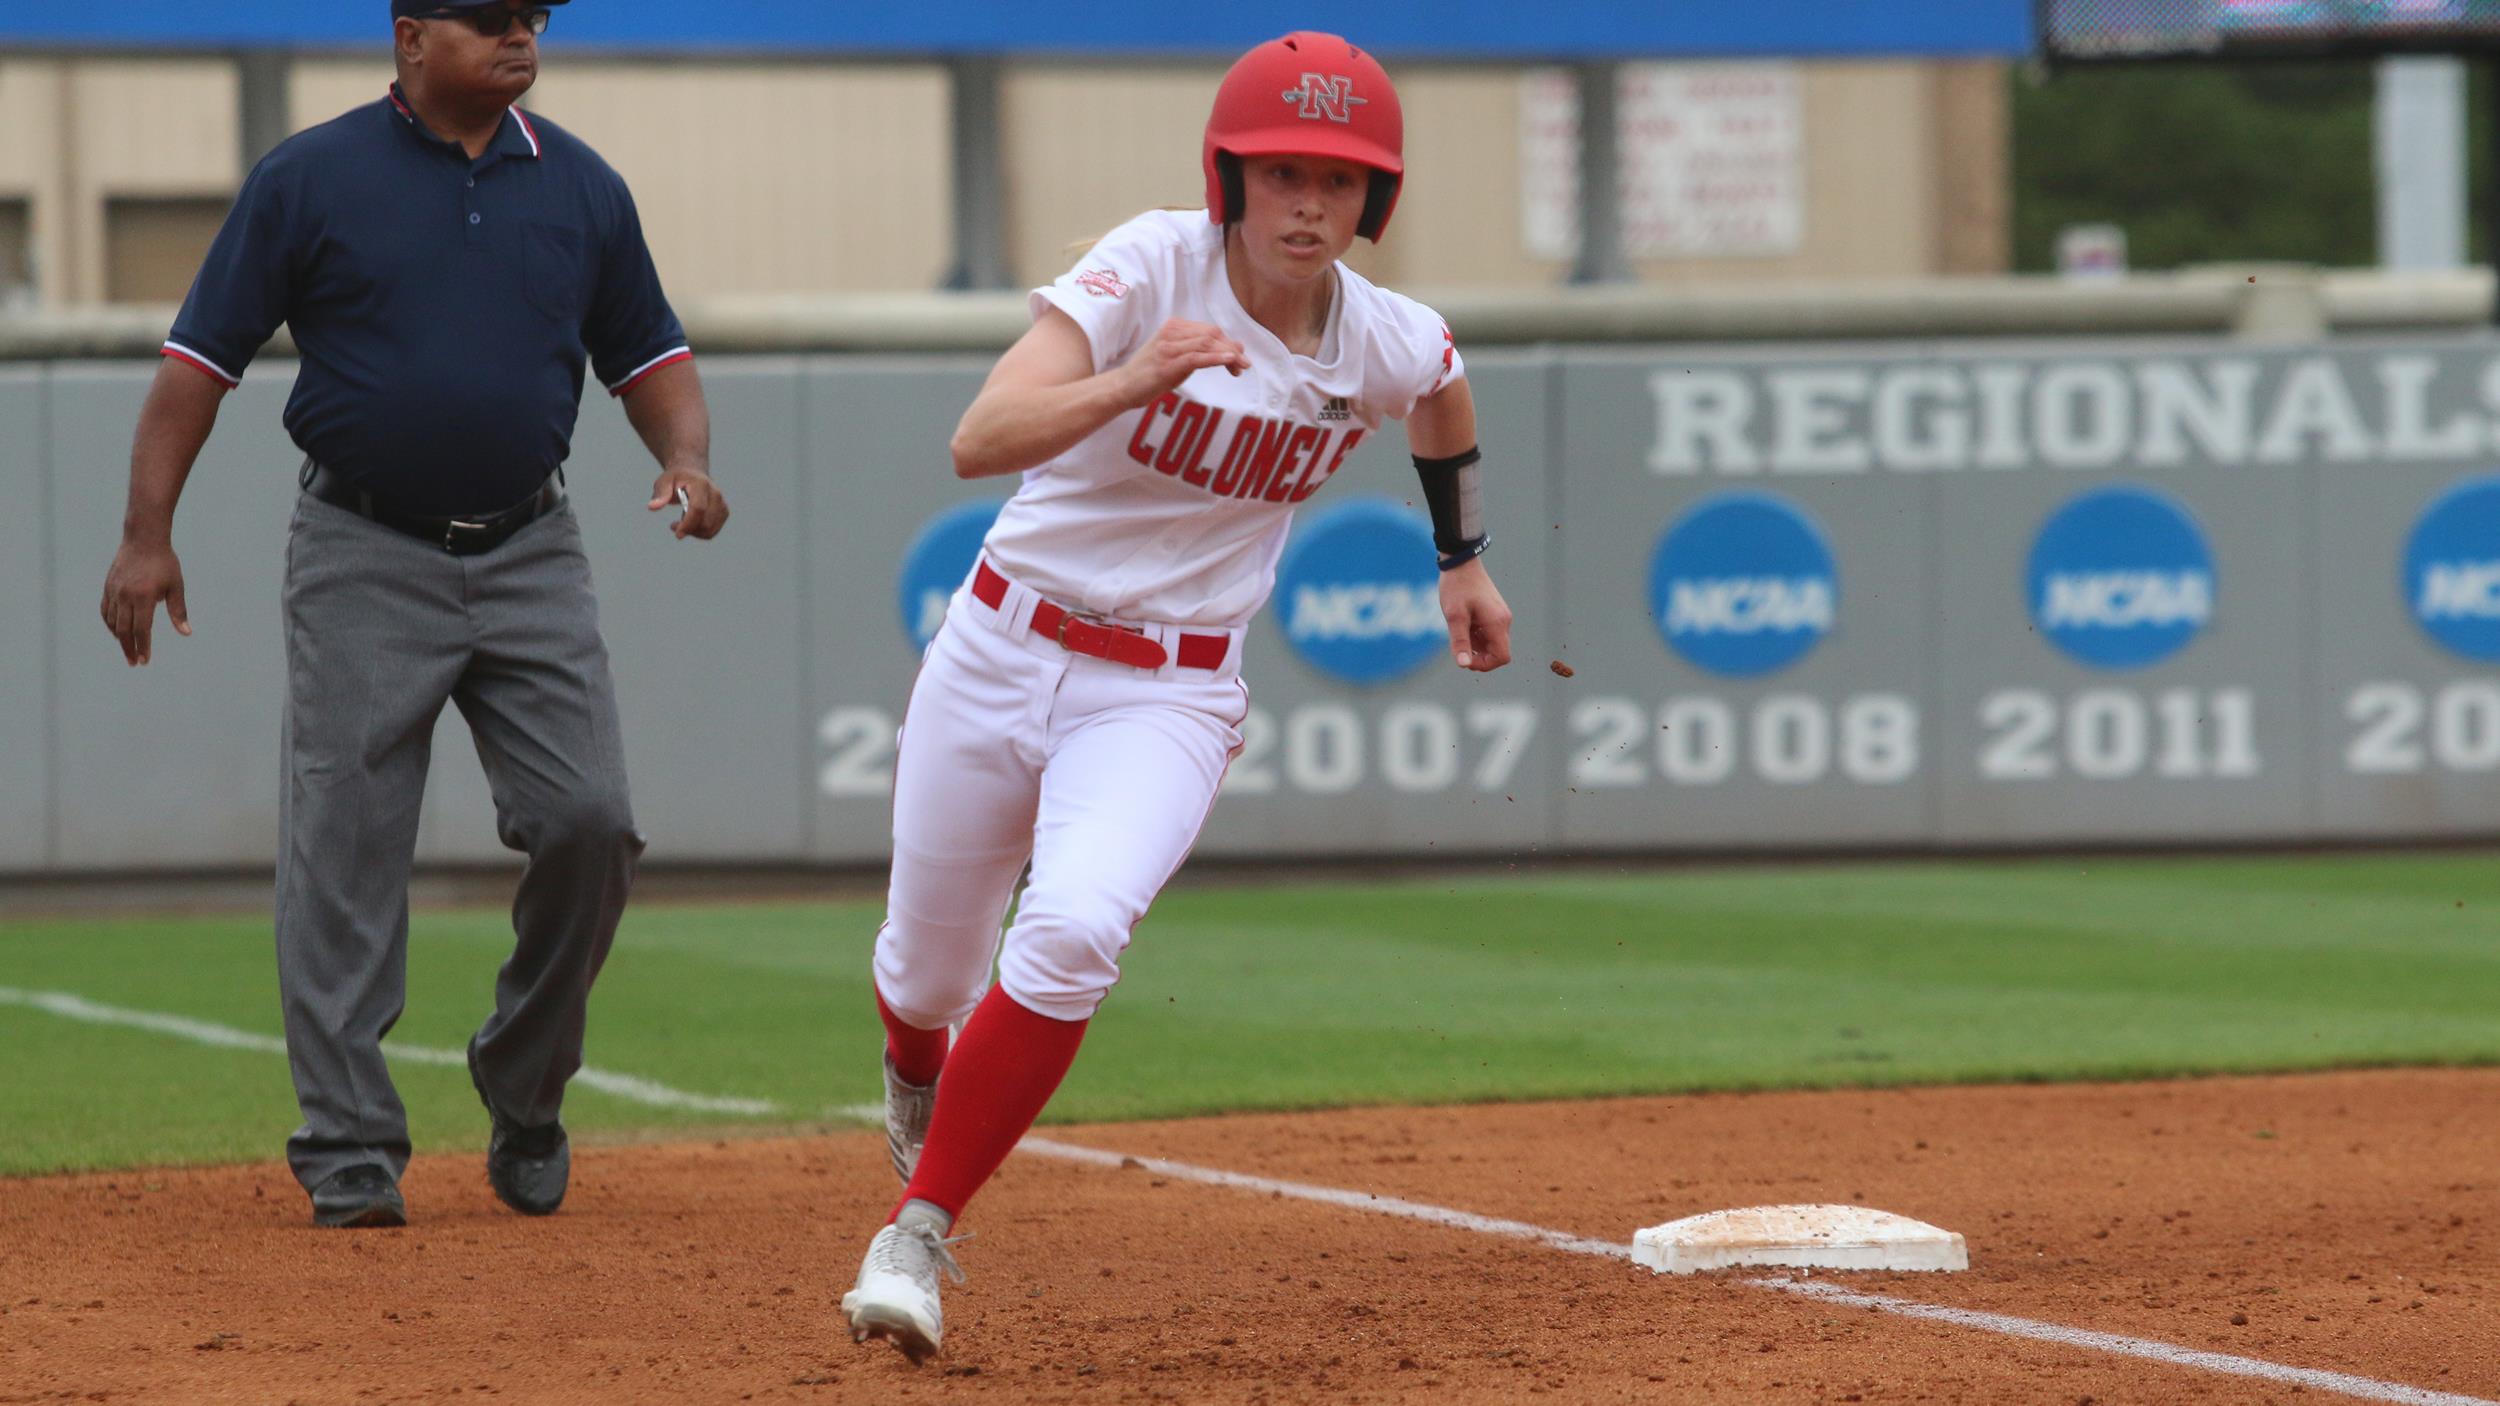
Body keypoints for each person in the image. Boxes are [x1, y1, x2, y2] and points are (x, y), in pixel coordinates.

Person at [840, 31, 1512, 1362]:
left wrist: (1465, 558)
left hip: (1170, 690)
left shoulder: (1383, 336)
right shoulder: (1153, 266)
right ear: (1230, 180)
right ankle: (919, 1065)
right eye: (1282, 175)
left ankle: (915, 1231)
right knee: (927, 970)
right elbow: (980, 437)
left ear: (1373, 202)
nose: (1308, 204)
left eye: (1339, 179)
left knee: (1078, 929)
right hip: (1001, 646)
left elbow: (1440, 391)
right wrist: (1136, 374)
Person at [98, 0, 727, 1229]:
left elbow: (648, 356)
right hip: (362, 546)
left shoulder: (583, 187)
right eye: (487, 19)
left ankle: (523, 1084)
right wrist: (144, 533)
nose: (518, 38)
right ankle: (347, 1144)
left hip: (530, 545)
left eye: (532, 17)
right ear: (407, 34)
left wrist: (690, 457)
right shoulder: (311, 177)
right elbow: (197, 364)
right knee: (345, 846)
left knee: (591, 818)